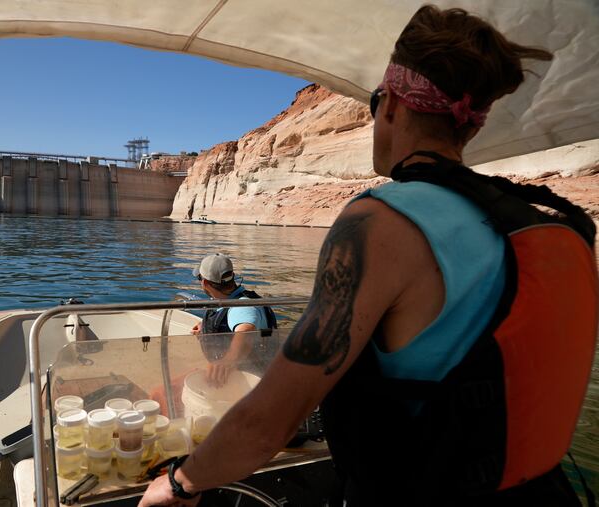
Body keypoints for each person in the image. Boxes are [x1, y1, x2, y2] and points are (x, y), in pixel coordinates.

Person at [139, 5, 597, 507]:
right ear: (470, 125)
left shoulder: (380, 223)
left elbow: (272, 420)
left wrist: (180, 482)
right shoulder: (546, 220)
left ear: (392, 103)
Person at [190, 253, 277, 386]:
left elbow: (246, 332)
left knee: (159, 393)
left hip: (242, 380)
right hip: (237, 376)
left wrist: (228, 361)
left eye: (199, 278)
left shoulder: (243, 306)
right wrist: (205, 327)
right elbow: (230, 319)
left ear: (205, 282)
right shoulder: (230, 301)